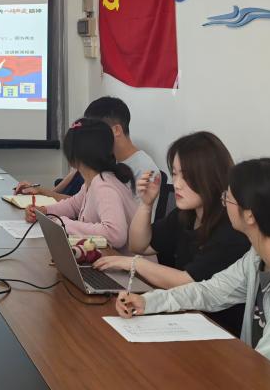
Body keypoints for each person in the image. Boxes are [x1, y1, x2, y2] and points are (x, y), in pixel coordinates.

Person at [116, 158, 270, 390]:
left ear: (250, 215)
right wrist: (149, 302)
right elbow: (210, 292)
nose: (223, 203)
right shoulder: (257, 258)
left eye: (229, 197)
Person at [93, 131, 249, 334]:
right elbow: (139, 246)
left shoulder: (231, 227)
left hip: (218, 330)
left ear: (211, 176)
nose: (177, 184)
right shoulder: (186, 214)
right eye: (175, 174)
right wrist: (146, 204)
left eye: (187, 176)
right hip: (183, 317)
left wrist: (134, 263)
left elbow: (188, 282)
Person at [24, 118, 138, 249]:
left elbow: (115, 234)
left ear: (72, 159)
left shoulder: (104, 186)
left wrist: (65, 224)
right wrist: (44, 211)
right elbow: (73, 205)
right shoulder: (94, 181)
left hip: (125, 261)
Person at [16, 96, 160, 200]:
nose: (91, 138)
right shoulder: (106, 160)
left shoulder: (145, 170)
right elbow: (79, 202)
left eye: (96, 131)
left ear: (116, 130)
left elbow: (133, 225)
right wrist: (40, 192)